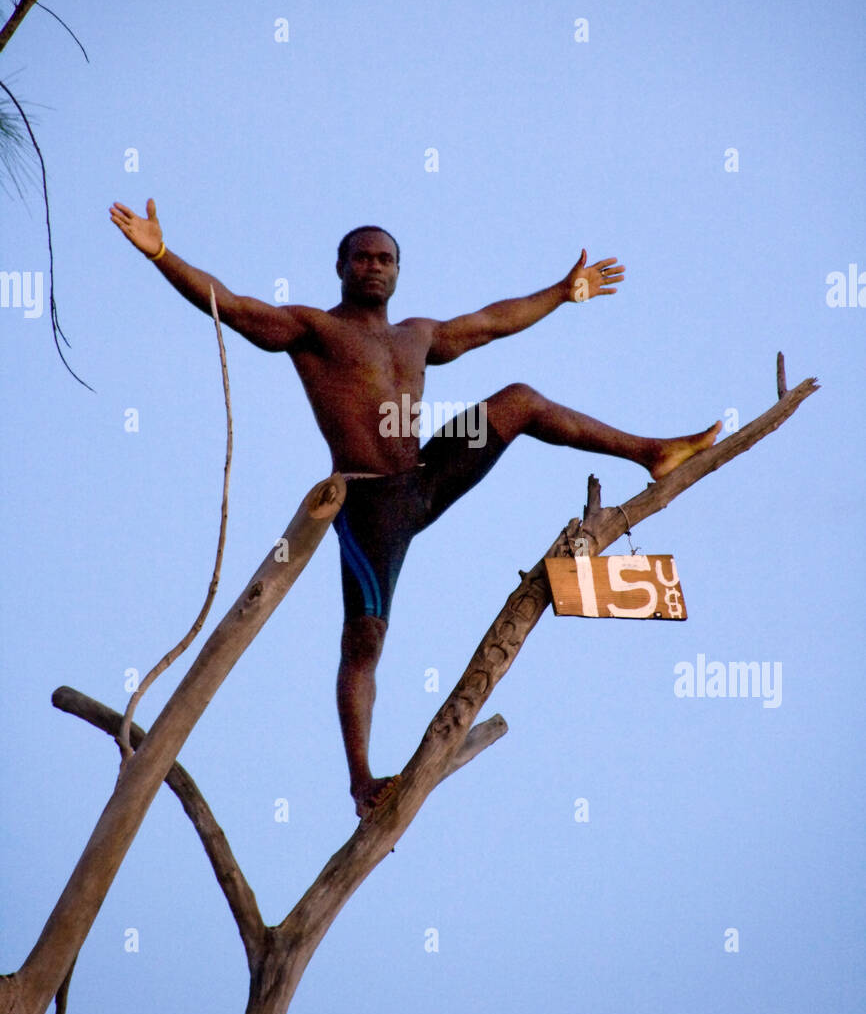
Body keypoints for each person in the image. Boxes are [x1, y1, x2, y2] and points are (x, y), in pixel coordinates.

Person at [109, 199, 720, 817]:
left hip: (426, 477)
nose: (374, 266)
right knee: (363, 645)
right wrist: (162, 252)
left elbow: (492, 322)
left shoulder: (417, 335)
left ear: (398, 272)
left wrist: (562, 292)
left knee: (520, 401)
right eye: (363, 257)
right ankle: (361, 782)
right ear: (342, 267)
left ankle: (652, 453)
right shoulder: (313, 329)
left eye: (386, 258)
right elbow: (235, 307)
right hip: (370, 504)